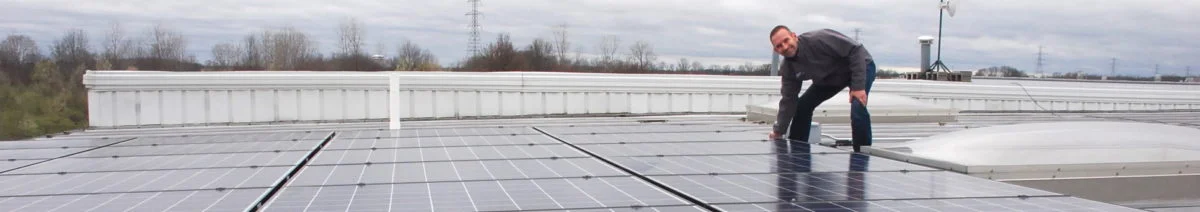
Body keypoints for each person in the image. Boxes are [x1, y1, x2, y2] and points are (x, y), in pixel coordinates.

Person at [766, 25, 876, 152]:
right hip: (829, 78)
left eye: (786, 41)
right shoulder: (788, 68)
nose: (784, 47)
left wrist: (858, 86)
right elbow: (789, 99)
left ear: (794, 36)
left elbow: (856, 50)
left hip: (859, 66)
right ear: (776, 49)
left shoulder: (819, 39)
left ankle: (862, 154)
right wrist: (778, 131)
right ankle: (797, 152)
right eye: (779, 46)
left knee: (858, 106)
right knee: (802, 106)